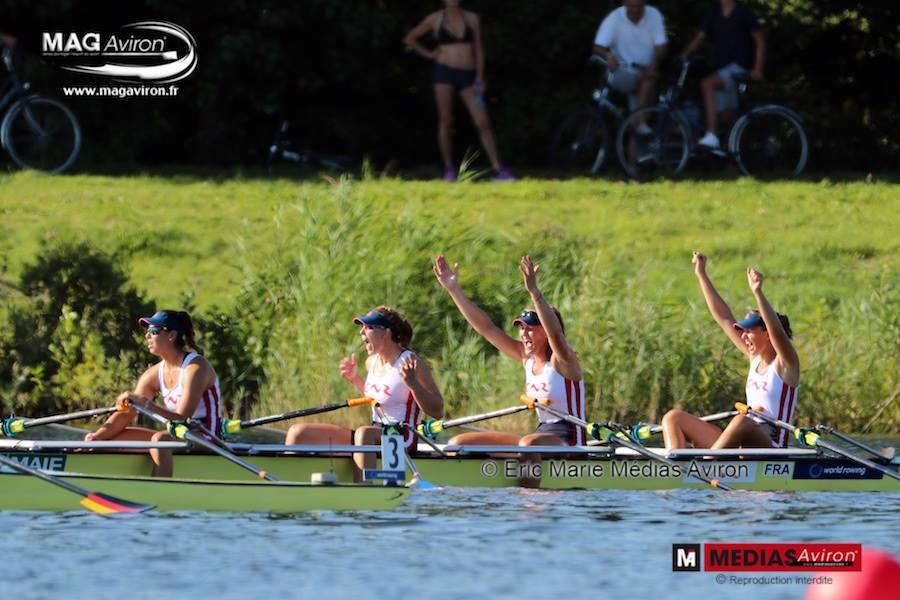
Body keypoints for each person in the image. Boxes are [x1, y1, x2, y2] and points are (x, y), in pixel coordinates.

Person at [433, 254, 586, 485]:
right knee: (459, 443)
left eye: (530, 328)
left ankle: (529, 499)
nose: (524, 333)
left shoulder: (563, 360)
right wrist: (454, 290)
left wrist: (534, 292)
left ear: (545, 330)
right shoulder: (526, 358)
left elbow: (555, 334)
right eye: (521, 328)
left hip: (570, 440)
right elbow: (487, 328)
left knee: (528, 445)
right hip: (539, 435)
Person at [285, 306, 444, 482]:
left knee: (364, 434)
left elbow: (438, 410)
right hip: (373, 433)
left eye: (368, 327)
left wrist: (413, 384)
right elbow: (379, 399)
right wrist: (355, 379)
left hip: (402, 436)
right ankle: (288, 486)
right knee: (297, 433)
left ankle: (364, 489)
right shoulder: (371, 362)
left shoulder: (411, 363)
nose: (361, 332)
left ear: (386, 333)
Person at [661, 252, 799, 450]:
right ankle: (676, 465)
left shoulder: (786, 365)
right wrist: (701, 274)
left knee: (742, 421)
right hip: (742, 440)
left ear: (767, 334)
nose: (744, 337)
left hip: (771, 447)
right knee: (673, 417)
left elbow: (776, 331)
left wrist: (758, 293)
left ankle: (706, 463)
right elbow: (724, 317)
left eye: (749, 332)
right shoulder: (754, 358)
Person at [85, 310, 221, 477]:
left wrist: (145, 404)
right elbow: (127, 414)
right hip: (176, 435)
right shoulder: (154, 374)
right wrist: (95, 439)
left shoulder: (196, 368)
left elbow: (182, 418)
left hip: (206, 436)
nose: (147, 336)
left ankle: (160, 489)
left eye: (153, 331)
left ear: (171, 335)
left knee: (160, 440)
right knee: (111, 440)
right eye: (147, 331)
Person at [403, 0, 515, 182]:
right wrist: (429, 54)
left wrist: (479, 77)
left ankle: (498, 168)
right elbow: (410, 38)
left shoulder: (472, 18)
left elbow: (478, 49)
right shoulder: (435, 19)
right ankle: (449, 168)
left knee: (483, 121)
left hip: (468, 76)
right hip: (444, 73)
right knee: (446, 120)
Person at [681, 0, 766, 150]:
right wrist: (684, 56)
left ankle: (711, 134)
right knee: (726, 117)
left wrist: (758, 69)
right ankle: (730, 154)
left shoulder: (743, 12)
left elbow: (759, 39)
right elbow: (699, 37)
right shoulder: (713, 13)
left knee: (707, 83)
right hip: (720, 70)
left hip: (738, 67)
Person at [592, 0, 668, 118]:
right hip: (621, 71)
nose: (635, 10)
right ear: (624, 4)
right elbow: (598, 46)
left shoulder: (654, 14)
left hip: (645, 70)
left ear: (644, 3)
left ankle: (636, 123)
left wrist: (655, 62)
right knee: (646, 80)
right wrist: (608, 55)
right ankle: (638, 122)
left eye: (639, 6)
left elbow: (661, 45)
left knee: (649, 79)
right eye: (631, 6)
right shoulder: (614, 18)